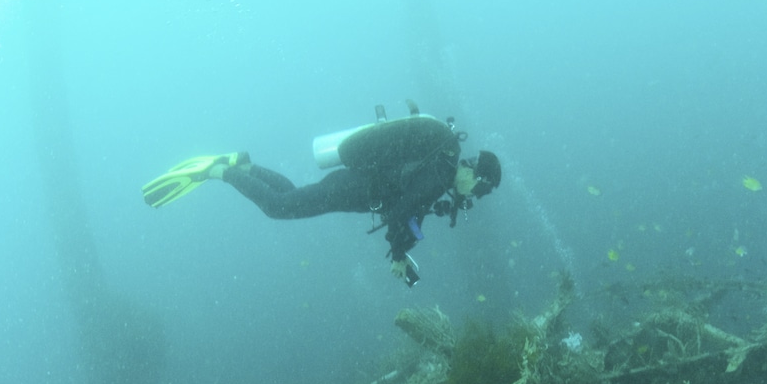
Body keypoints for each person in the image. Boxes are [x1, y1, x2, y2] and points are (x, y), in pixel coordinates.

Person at [142, 103, 501, 286]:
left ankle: (245, 166)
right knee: (279, 208)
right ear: (474, 172)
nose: (474, 197)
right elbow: (404, 208)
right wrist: (397, 254)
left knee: (293, 198)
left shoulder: (439, 166)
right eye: (480, 189)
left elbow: (410, 207)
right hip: (357, 189)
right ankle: (219, 171)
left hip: (357, 185)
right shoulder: (441, 170)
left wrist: (402, 246)